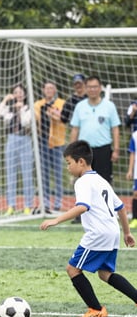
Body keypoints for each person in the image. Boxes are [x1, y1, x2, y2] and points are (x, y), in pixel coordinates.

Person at [40, 140, 137, 317]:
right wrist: (126, 233)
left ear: (81, 162)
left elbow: (82, 207)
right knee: (105, 274)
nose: (68, 167)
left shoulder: (83, 181)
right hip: (112, 231)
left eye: (69, 163)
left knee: (72, 269)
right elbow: (121, 207)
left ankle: (95, 309)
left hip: (98, 234)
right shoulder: (101, 180)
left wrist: (56, 220)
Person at [70, 75, 121, 184]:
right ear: (85, 88)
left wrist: (116, 150)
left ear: (100, 88)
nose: (92, 89)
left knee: (104, 184)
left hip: (104, 150)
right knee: (84, 184)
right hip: (84, 151)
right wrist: (72, 151)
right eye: (89, 87)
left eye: (95, 87)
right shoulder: (79, 106)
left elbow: (115, 129)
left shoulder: (110, 106)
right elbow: (75, 129)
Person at [0, 84, 33, 215]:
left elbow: (26, 123)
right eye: (15, 92)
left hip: (25, 140)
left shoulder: (29, 109)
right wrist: (5, 100)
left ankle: (28, 205)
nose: (18, 94)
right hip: (11, 139)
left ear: (24, 94)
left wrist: (21, 109)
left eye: (20, 92)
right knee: (10, 173)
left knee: (27, 173)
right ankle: (11, 205)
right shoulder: (9, 109)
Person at [34, 81, 66, 213]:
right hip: (43, 143)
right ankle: (45, 202)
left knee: (58, 174)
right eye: (47, 88)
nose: (49, 90)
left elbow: (63, 118)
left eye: (51, 88)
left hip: (58, 143)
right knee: (44, 174)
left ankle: (58, 203)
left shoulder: (61, 103)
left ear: (55, 90)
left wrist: (53, 114)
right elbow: (35, 121)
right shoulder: (37, 104)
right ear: (43, 90)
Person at [61, 73, 87, 224]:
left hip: (92, 144)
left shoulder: (89, 100)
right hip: (77, 142)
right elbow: (63, 118)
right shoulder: (71, 101)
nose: (78, 85)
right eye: (76, 83)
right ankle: (79, 213)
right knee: (79, 179)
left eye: (80, 83)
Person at [126, 130, 137, 228]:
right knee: (135, 194)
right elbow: (132, 154)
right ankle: (135, 219)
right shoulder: (134, 135)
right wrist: (130, 170)